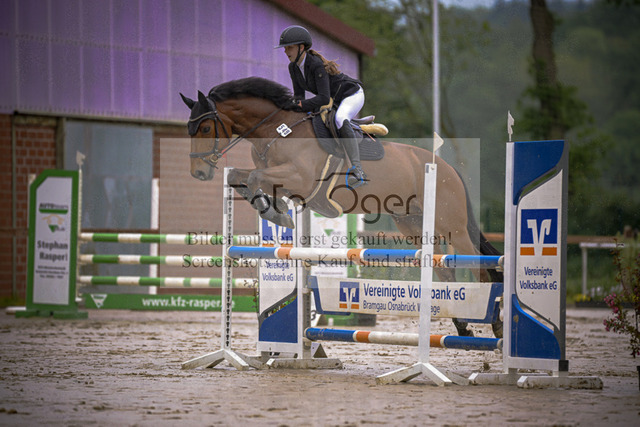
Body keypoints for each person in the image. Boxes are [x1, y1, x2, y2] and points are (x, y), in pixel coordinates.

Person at [275, 25, 367, 188]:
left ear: (301, 47)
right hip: (335, 98)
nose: (286, 51)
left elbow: (323, 98)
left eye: (289, 47)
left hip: (351, 94)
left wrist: (300, 104)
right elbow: (299, 97)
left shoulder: (315, 64)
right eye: (285, 48)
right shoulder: (293, 67)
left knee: (340, 119)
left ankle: (358, 170)